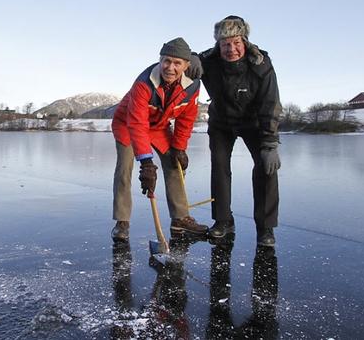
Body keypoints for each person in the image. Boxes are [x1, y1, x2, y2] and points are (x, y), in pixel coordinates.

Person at [187, 16, 282, 246]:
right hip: (221, 123)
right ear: (218, 45)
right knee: (220, 167)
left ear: (245, 41)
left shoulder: (260, 63)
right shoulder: (208, 60)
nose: (231, 49)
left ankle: (265, 227)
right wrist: (190, 58)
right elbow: (183, 58)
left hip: (255, 122)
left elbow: (271, 104)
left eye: (236, 42)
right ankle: (223, 221)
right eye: (225, 44)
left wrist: (270, 145)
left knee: (266, 167)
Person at [110, 37, 209, 241]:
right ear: (160, 60)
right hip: (128, 124)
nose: (170, 67)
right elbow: (137, 123)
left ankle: (180, 219)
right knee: (124, 168)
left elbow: (186, 118)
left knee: (174, 164)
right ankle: (122, 222)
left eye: (177, 63)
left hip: (158, 127)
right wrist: (146, 162)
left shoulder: (192, 86)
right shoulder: (144, 82)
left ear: (186, 66)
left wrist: (179, 148)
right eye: (166, 61)